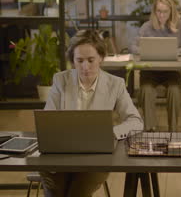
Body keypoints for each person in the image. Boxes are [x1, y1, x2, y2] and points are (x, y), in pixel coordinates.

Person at [42, 30, 144, 197]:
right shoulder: (60, 81)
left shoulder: (115, 84)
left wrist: (111, 133)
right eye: (79, 60)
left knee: (76, 193)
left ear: (101, 58)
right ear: (72, 61)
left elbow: (136, 122)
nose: (85, 67)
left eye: (91, 60)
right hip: (61, 156)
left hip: (96, 158)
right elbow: (47, 121)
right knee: (55, 192)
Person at [130, 0, 181, 131]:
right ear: (154, 11)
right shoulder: (147, 26)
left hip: (172, 72)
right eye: (158, 11)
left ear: (171, 11)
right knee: (146, 91)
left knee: (174, 91)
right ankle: (150, 130)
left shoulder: (180, 25)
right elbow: (133, 47)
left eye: (165, 12)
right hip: (150, 72)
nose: (161, 15)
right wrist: (143, 50)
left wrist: (174, 52)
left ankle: (173, 130)